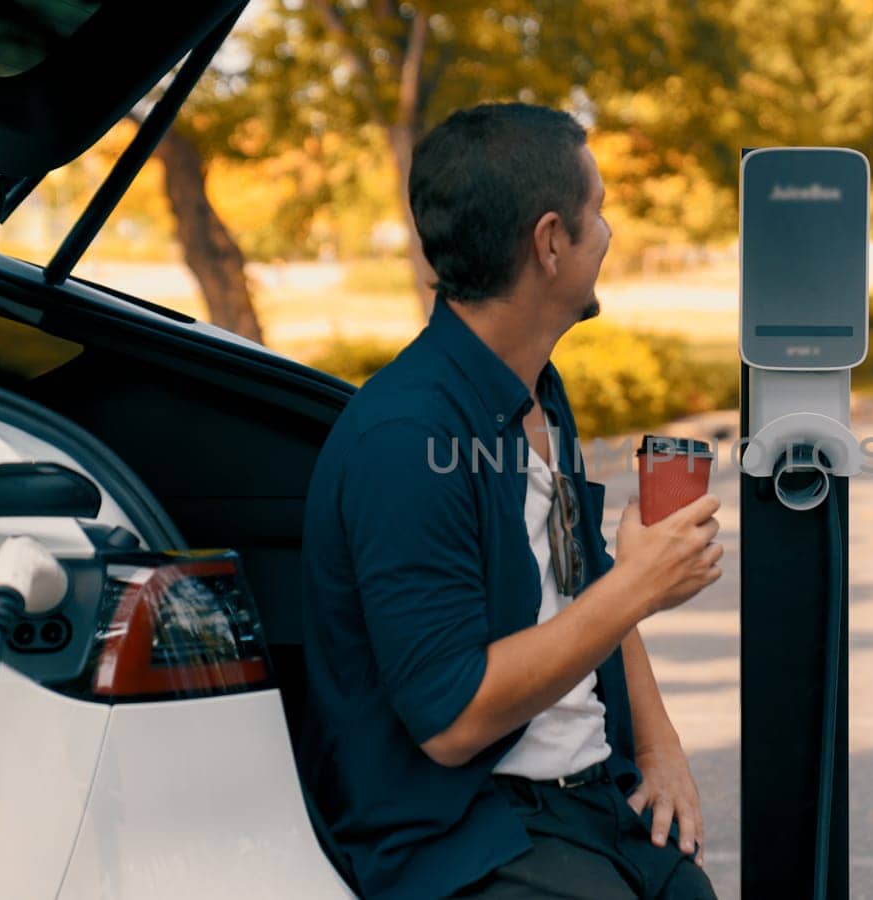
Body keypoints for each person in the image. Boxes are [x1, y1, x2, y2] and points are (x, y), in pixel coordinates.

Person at [300, 103, 722, 900]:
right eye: (599, 212)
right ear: (551, 240)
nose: (610, 233)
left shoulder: (534, 393)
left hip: (586, 803)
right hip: (464, 832)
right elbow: (452, 723)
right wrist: (642, 583)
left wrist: (660, 745)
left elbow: (583, 578)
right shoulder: (405, 435)